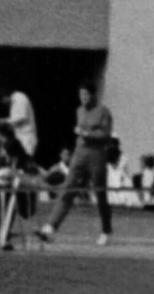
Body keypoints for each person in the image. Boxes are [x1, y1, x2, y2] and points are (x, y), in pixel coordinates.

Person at [36, 81, 113, 246]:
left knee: (100, 194)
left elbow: (105, 135)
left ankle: (106, 230)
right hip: (79, 155)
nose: (83, 98)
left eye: (86, 94)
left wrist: (87, 133)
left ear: (93, 95)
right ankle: (51, 226)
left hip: (97, 156)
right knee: (68, 189)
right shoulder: (79, 111)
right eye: (81, 95)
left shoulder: (103, 112)